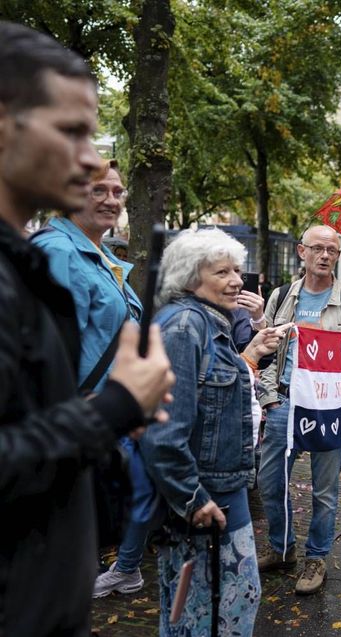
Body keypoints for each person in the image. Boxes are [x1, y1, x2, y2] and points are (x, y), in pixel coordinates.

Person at [0, 22, 174, 636]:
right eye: (71, 132)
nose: (89, 159)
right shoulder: (44, 257)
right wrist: (114, 407)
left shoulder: (33, 261)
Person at [140, 228, 285, 636]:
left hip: (225, 492)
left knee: (230, 601)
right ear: (189, 277)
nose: (237, 280)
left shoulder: (209, 322)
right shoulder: (185, 327)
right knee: (195, 612)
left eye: (237, 269)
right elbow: (164, 431)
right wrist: (192, 498)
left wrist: (252, 356)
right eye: (222, 271)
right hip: (203, 501)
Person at [30, 158, 151, 598]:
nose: (111, 200)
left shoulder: (101, 255)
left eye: (117, 192)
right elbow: (43, 354)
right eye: (97, 190)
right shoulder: (56, 252)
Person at [256, 225, 341, 595]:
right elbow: (267, 352)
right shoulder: (280, 297)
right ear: (301, 252)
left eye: (332, 250)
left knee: (325, 491)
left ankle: (316, 557)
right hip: (284, 403)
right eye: (318, 248)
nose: (325, 255)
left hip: (327, 409)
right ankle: (282, 547)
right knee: (270, 482)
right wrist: (270, 397)